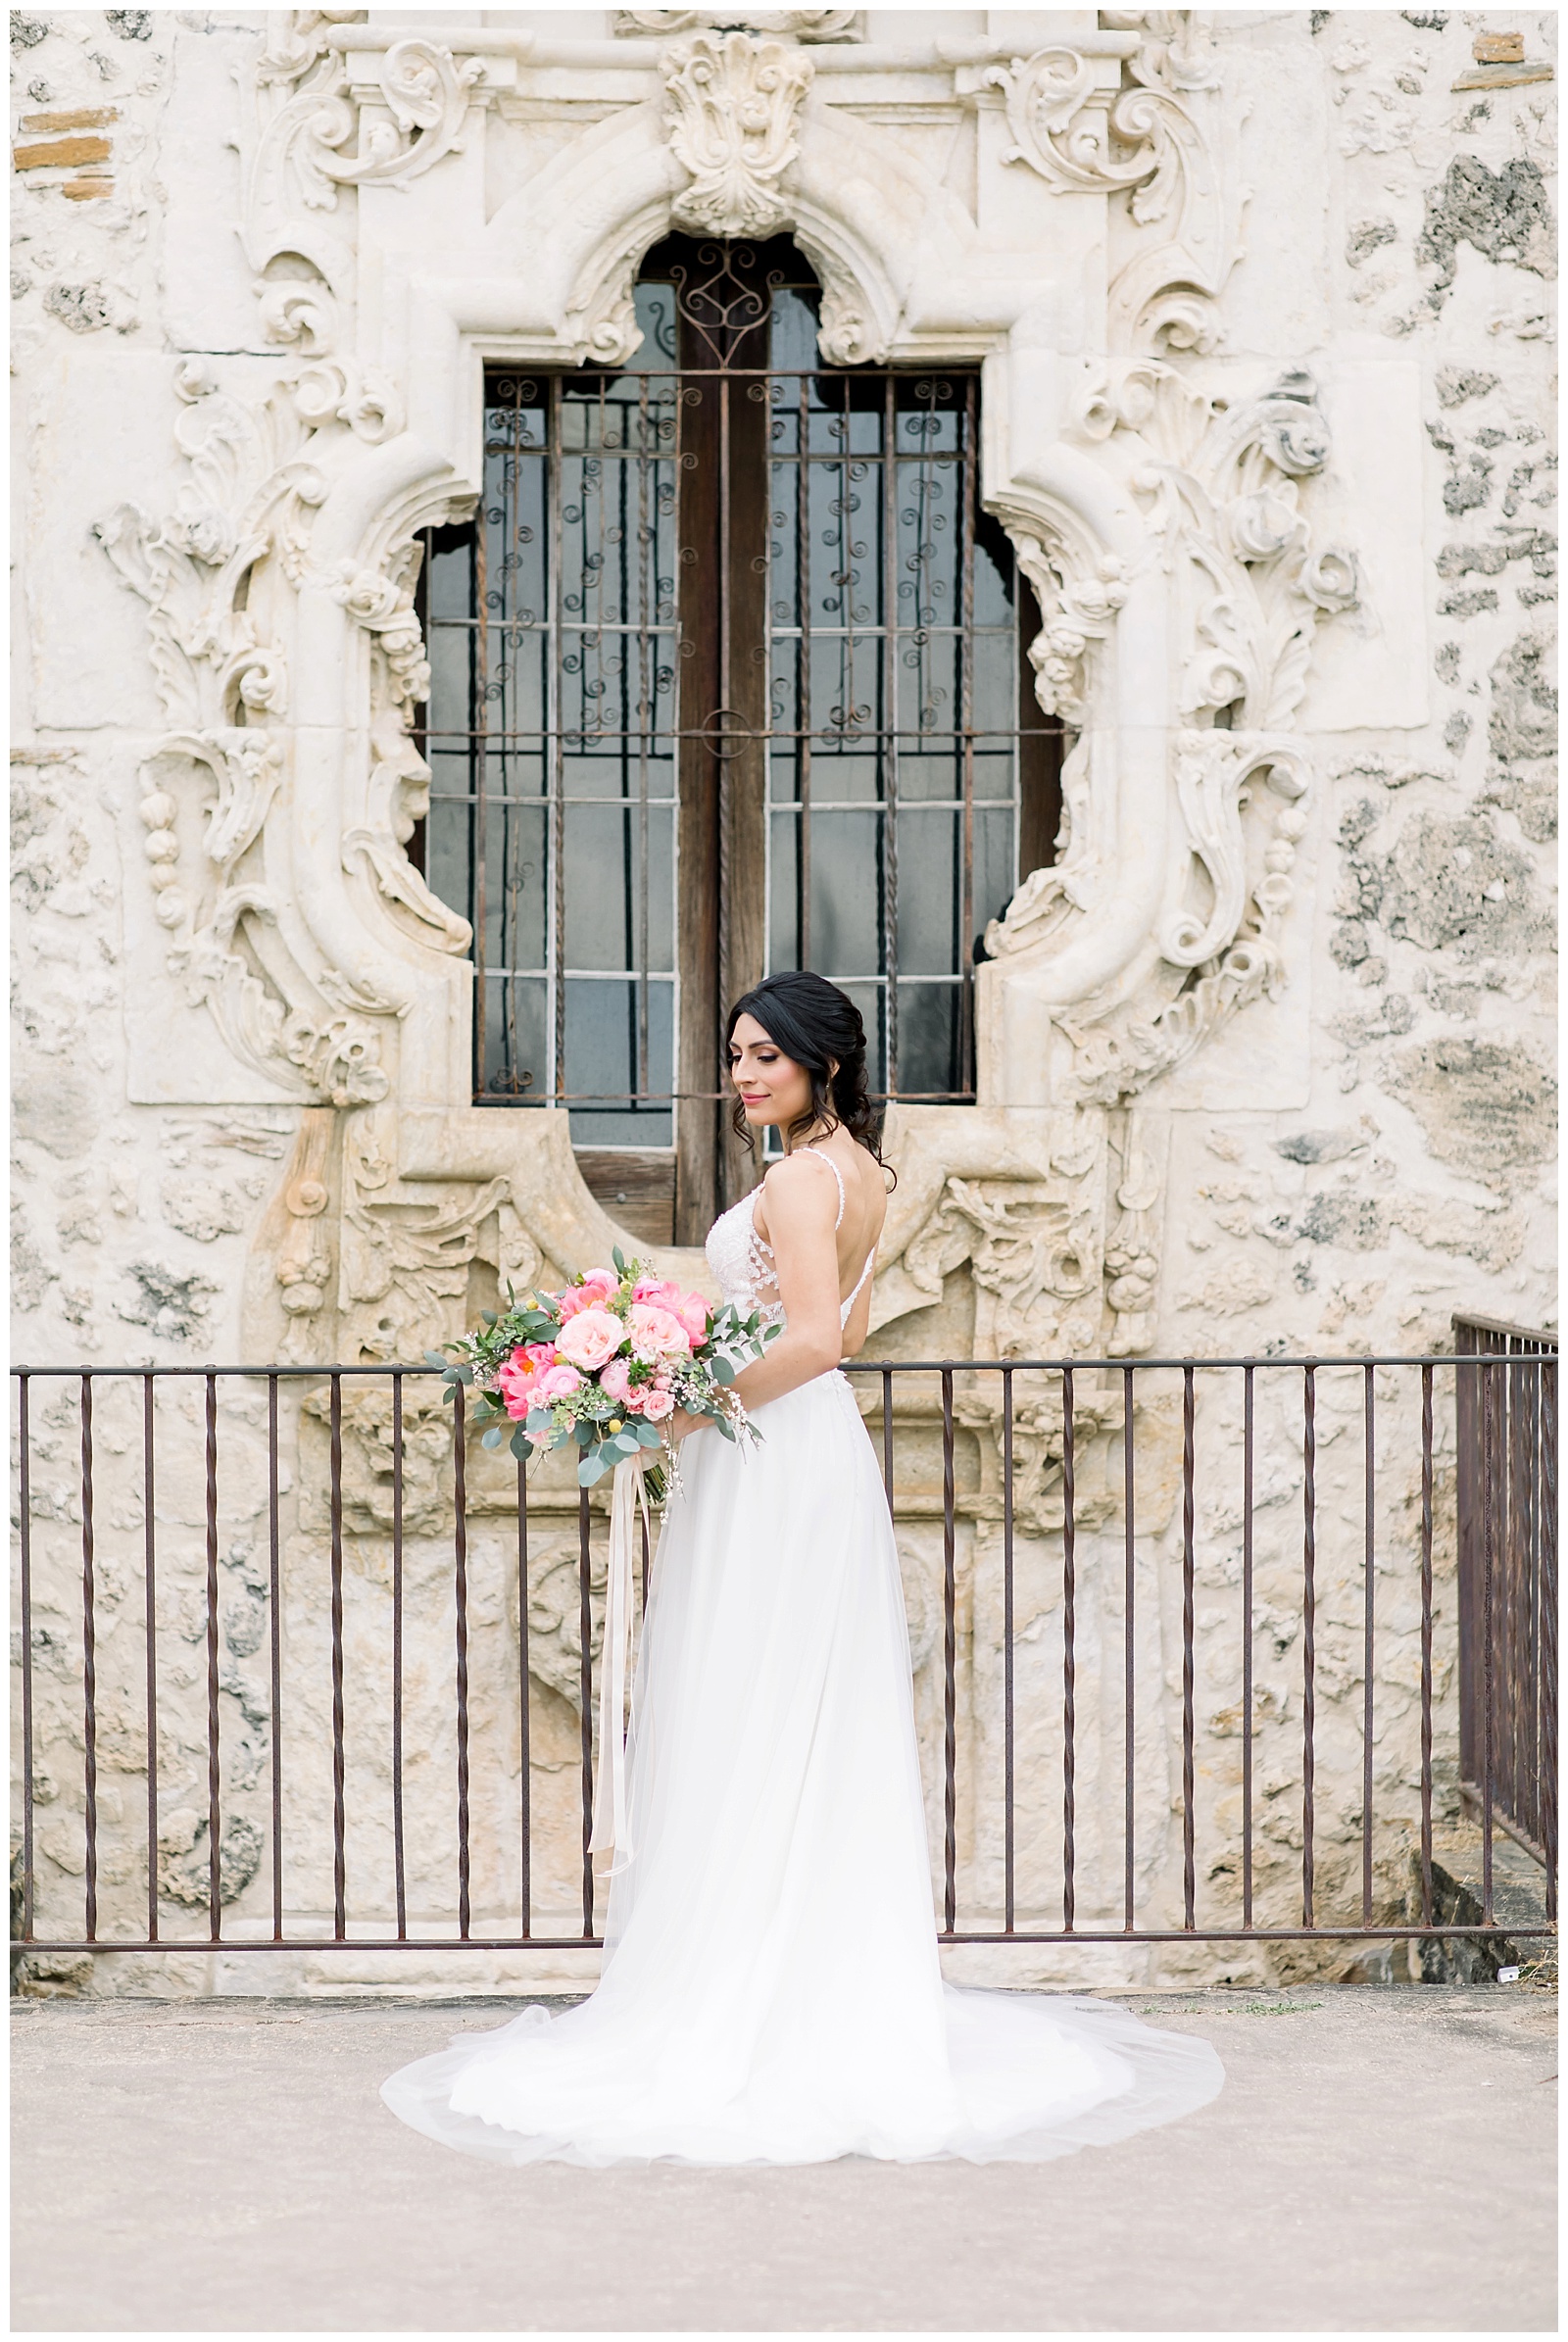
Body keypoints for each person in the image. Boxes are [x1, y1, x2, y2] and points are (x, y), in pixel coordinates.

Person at [382, 971, 1222, 2166]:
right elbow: (851, 1332)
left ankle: (745, 1996)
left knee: (747, 1701)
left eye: (764, 1056)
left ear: (820, 1063)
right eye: (733, 1055)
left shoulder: (792, 1178)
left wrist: (679, 1402)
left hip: (770, 1452)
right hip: (810, 1448)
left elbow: (819, 1338)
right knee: (791, 1707)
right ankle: (794, 1976)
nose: (742, 1076)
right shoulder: (864, 1175)